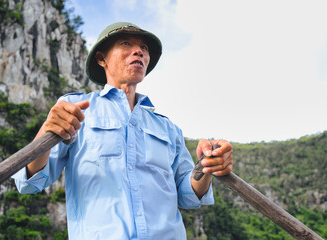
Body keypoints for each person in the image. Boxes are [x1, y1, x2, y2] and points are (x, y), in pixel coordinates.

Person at [13, 22, 233, 240]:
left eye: (144, 48)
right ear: (102, 59)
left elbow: (188, 196)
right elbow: (29, 183)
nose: (138, 51)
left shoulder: (168, 128)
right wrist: (47, 131)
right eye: (126, 43)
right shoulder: (75, 110)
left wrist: (206, 165)